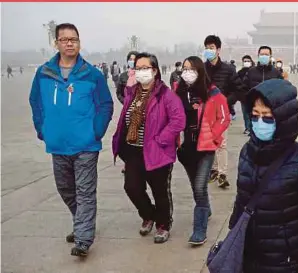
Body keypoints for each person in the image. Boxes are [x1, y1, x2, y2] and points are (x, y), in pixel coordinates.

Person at [229, 79, 298, 273]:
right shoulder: (247, 152)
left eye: (267, 117)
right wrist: (234, 233)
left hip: (287, 257)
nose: (260, 122)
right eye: (255, 116)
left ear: (283, 118)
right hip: (251, 253)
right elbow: (242, 198)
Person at [29, 23, 114, 257]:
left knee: (85, 191)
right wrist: (42, 128)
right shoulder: (44, 73)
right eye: (64, 39)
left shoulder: (92, 74)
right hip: (57, 144)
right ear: (56, 42)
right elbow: (35, 102)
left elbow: (105, 105)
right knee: (66, 189)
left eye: (73, 39)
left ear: (79, 42)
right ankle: (82, 224)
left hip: (86, 144)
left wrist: (95, 131)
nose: (69, 43)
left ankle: (84, 239)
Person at [112, 52, 185, 244]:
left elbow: (178, 121)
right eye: (138, 68)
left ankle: (163, 224)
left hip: (158, 151)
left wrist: (161, 139)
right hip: (134, 151)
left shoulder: (166, 95)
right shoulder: (132, 93)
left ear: (155, 70)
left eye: (145, 68)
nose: (141, 72)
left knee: (160, 191)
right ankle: (149, 215)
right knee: (132, 187)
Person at [175, 56, 230, 245]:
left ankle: (199, 230)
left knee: (200, 186)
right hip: (186, 149)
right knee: (196, 188)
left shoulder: (212, 93)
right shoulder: (178, 91)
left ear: (200, 71)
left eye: (192, 69)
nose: (187, 72)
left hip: (205, 148)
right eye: (184, 68)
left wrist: (213, 136)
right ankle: (206, 209)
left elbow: (224, 118)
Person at [203, 35, 247, 189]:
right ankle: (214, 169)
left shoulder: (228, 69)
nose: (209, 50)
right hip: (206, 113)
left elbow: (239, 89)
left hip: (222, 112)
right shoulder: (202, 69)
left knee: (221, 143)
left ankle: (222, 173)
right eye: (207, 47)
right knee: (210, 142)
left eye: (212, 47)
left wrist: (225, 102)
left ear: (218, 50)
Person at [237, 55, 254, 135]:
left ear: (251, 61)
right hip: (243, 96)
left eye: (248, 61)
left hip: (253, 95)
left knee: (253, 113)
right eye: (245, 61)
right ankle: (247, 128)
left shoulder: (254, 71)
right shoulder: (240, 73)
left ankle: (253, 128)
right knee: (245, 113)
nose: (246, 62)